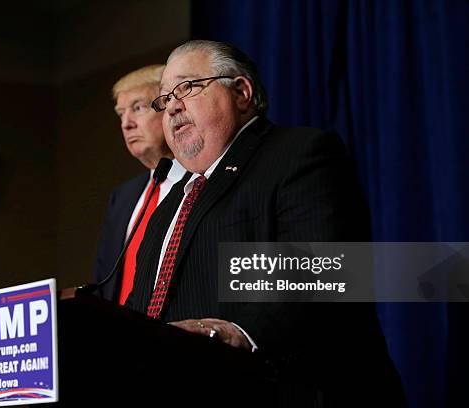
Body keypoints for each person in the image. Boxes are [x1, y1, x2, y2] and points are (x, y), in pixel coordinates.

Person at [126, 40, 405, 406]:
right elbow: (138, 309)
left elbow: (326, 272)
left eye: (187, 88)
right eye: (163, 100)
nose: (173, 106)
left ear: (241, 92)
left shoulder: (299, 155)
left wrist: (241, 332)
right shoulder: (169, 203)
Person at [93, 65, 185, 304]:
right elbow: (104, 281)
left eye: (138, 108)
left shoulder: (200, 183)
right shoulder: (123, 196)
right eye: (121, 113)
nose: (127, 123)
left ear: (169, 109)